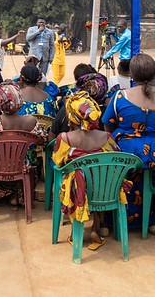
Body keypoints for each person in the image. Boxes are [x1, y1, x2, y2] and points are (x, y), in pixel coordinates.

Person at [102, 54, 155, 231]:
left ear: (132, 75)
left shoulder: (119, 97)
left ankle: (109, 222)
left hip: (125, 154)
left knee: (117, 170)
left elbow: (108, 125)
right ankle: (151, 221)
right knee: (149, 178)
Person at [52, 91, 121, 249]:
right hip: (104, 191)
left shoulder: (65, 138)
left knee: (76, 180)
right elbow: (115, 158)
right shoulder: (107, 137)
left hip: (79, 193)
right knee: (96, 177)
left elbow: (58, 161)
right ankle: (97, 228)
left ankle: (75, 229)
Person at [0, 83, 47, 198]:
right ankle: (17, 196)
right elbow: (43, 140)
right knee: (32, 157)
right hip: (21, 166)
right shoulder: (31, 121)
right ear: (20, 102)